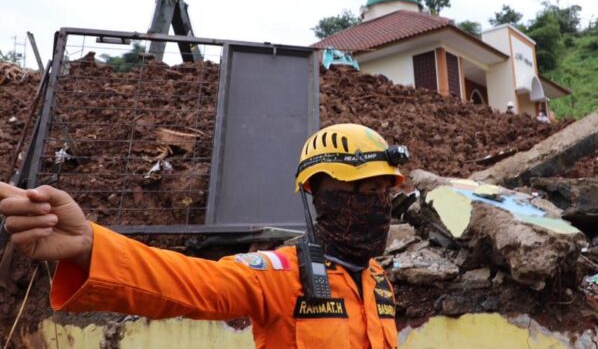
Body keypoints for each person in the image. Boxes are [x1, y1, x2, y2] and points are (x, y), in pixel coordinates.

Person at [0, 123, 407, 349]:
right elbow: (192, 284)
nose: (376, 204)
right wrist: (90, 246)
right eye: (361, 192)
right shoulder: (280, 274)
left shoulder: (376, 281)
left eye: (381, 192)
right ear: (317, 194)